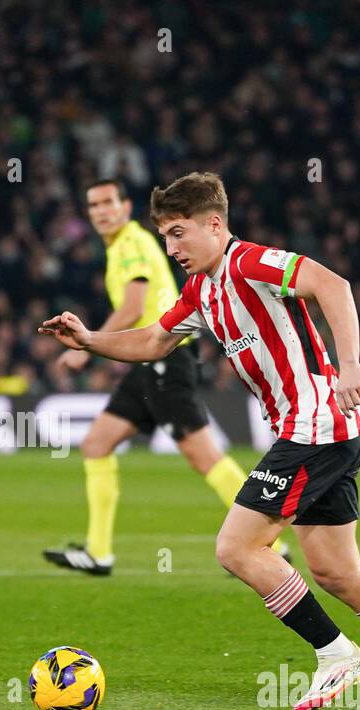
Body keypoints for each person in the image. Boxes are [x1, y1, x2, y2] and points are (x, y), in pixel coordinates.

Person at [39, 172, 360, 710]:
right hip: (321, 430)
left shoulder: (250, 262)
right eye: (166, 237)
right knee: (337, 570)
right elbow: (152, 340)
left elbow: (332, 285)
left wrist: (351, 363)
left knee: (236, 548)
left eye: (178, 234)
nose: (171, 248)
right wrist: (88, 339)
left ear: (214, 224)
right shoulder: (200, 290)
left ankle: (338, 655)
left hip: (314, 424)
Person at [44, 179, 287, 575]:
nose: (101, 211)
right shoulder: (122, 245)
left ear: (125, 207)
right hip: (148, 364)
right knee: (96, 444)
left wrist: (87, 348)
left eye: (109, 202)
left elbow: (133, 306)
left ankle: (271, 542)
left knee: (204, 456)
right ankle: (98, 552)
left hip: (164, 358)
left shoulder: (133, 243)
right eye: (93, 205)